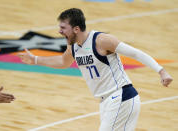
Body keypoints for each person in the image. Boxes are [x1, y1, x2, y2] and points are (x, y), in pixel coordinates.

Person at [18, 8, 173, 131]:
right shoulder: (73, 47)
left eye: (63, 28)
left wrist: (161, 71)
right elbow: (63, 62)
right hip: (106, 102)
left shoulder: (102, 40)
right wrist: (36, 60)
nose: (59, 31)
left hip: (120, 96)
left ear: (76, 29)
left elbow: (135, 53)